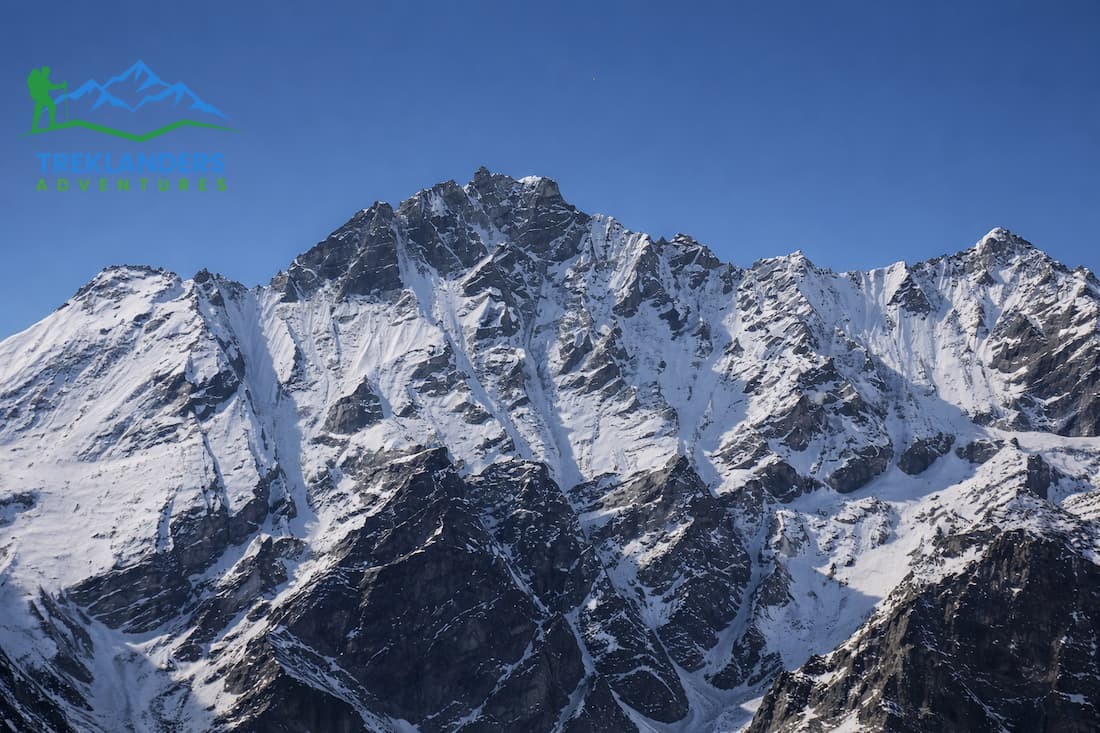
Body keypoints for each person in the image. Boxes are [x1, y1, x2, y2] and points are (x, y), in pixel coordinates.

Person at [28, 67, 67, 131]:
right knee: (49, 106)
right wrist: (62, 86)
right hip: (41, 97)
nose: (47, 74)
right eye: (46, 73)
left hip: (42, 98)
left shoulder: (45, 80)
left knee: (41, 110)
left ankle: (36, 126)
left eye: (47, 73)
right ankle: (50, 124)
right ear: (44, 73)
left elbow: (52, 86)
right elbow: (52, 87)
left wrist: (62, 86)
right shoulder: (39, 79)